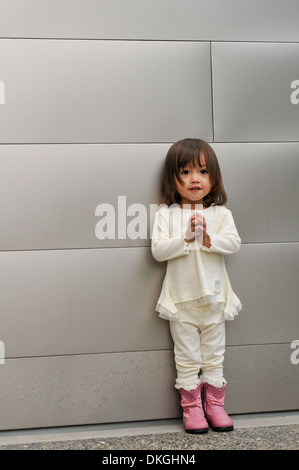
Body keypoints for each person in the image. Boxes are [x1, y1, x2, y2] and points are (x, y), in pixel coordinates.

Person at [151, 138, 242, 434]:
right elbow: (159, 251)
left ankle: (215, 406)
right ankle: (192, 408)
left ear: (213, 177)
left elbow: (234, 243)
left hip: (215, 299)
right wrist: (186, 238)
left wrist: (208, 239)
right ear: (172, 178)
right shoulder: (167, 214)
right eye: (186, 172)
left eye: (202, 172)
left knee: (215, 354)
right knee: (187, 357)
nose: (195, 179)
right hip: (181, 302)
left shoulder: (220, 214)